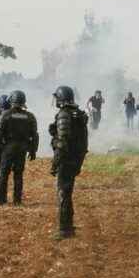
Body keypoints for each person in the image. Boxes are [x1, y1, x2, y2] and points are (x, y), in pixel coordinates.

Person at [49, 86, 89, 239]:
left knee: (63, 193)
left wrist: (54, 163)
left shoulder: (64, 114)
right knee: (68, 191)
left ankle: (64, 229)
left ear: (61, 98)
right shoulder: (78, 114)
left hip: (66, 158)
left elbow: (62, 142)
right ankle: (69, 225)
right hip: (76, 158)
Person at [0, 90, 39, 206]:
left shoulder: (5, 114)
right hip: (22, 149)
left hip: (8, 148)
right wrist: (33, 151)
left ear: (12, 100)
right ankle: (17, 200)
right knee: (18, 175)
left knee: (3, 174)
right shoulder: (30, 116)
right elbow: (35, 135)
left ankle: (0, 199)